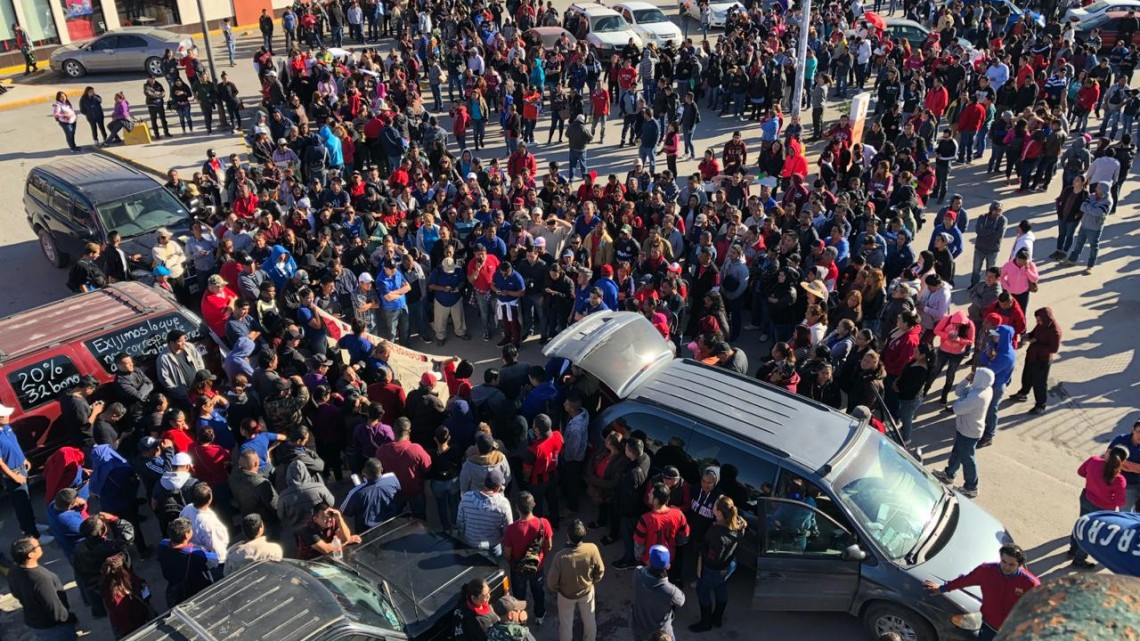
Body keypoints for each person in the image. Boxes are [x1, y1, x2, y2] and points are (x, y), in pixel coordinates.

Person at [923, 544, 1039, 641]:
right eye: (1003, 562)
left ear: (1019, 565)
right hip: (989, 626)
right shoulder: (986, 571)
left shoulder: (1030, 583)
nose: (1006, 567)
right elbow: (965, 580)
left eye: (1011, 564)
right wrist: (942, 588)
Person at [933, 368, 995, 498]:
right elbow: (959, 391)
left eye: (975, 375)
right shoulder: (983, 389)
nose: (972, 376)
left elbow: (957, 408)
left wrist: (959, 401)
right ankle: (949, 473)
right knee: (958, 452)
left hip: (969, 431)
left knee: (968, 459)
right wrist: (966, 380)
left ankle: (971, 487)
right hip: (966, 428)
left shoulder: (977, 396)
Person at [690, 496, 746, 632]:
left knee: (702, 591)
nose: (712, 508)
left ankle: (706, 623)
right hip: (730, 565)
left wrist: (701, 548)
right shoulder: (739, 522)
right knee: (721, 588)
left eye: (715, 506)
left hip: (714, 569)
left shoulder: (717, 535)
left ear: (720, 513)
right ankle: (717, 618)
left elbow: (712, 559)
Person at [1069, 445, 1130, 568]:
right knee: (1090, 534)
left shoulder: (1093, 461)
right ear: (1122, 462)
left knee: (1081, 523)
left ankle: (1072, 549)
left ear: (1108, 452)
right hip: (1103, 510)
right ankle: (1079, 560)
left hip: (1086, 499)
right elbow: (1120, 501)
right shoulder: (1119, 479)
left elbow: (1081, 472)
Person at [545, 518, 605, 641]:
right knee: (589, 621)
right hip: (586, 592)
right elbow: (600, 570)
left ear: (568, 536)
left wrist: (559, 589)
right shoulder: (592, 549)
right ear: (584, 533)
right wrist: (592, 581)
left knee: (566, 625)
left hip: (566, 595)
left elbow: (551, 582)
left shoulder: (560, 557)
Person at [8, 536, 77, 641]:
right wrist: (70, 619)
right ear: (31, 555)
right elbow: (55, 610)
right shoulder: (41, 579)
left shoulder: (13, 570)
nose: (41, 546)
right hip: (53, 627)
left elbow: (15, 593)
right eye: (38, 545)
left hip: (34, 620)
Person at [1, 404, 53, 543]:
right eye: (4, 415)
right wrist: (14, 476)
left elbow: (14, 445)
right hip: (14, 474)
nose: (7, 416)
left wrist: (23, 458)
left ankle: (33, 525)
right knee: (22, 505)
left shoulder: (6, 428)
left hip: (21, 469)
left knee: (27, 500)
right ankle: (33, 535)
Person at [502, 492, 552, 625]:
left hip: (518, 569)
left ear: (516, 508)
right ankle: (540, 615)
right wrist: (541, 558)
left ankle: (520, 619)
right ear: (534, 505)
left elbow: (507, 553)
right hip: (537, 566)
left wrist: (512, 563)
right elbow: (549, 546)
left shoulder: (511, 529)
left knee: (519, 596)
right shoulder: (544, 523)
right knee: (538, 591)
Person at [377, 417, 432, 519]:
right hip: (414, 490)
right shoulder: (416, 449)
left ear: (393, 430)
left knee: (393, 520)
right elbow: (427, 467)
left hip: (394, 492)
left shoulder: (382, 451)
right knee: (419, 519)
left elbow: (379, 472)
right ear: (409, 431)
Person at [1011, 308, 1062, 415]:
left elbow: (1053, 349)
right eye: (1037, 320)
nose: (1037, 322)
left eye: (1039, 320)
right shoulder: (1041, 325)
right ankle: (1023, 393)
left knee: (1039, 383)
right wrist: (1028, 336)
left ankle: (1040, 405)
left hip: (1042, 360)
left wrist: (1036, 343)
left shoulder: (1055, 331)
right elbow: (1034, 333)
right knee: (1027, 376)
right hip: (1032, 356)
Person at [156, 517, 218, 605]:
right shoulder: (196, 554)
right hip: (197, 588)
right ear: (187, 535)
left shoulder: (162, 545)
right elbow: (215, 561)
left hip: (174, 585)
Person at [631, 545, 686, 641]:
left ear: (648, 562)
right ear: (668, 566)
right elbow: (681, 601)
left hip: (639, 627)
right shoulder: (670, 591)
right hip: (661, 633)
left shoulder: (637, 573)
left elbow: (641, 569)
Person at [457, 469, 514, 556]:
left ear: (484, 483)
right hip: (494, 544)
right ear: (497, 487)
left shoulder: (466, 498)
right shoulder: (503, 504)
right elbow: (508, 529)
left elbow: (460, 522)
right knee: (494, 568)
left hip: (472, 542)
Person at [99, 554, 154, 639]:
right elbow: (123, 621)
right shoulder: (116, 596)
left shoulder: (105, 582)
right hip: (133, 626)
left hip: (131, 622)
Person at [340, 457, 400, 531]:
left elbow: (344, 511)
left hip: (367, 531)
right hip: (390, 523)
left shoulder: (356, 492)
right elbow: (398, 493)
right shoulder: (392, 479)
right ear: (381, 469)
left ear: (364, 473)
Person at [295, 503, 362, 560]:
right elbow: (326, 550)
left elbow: (344, 537)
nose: (329, 519)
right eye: (325, 518)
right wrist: (347, 541)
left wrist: (339, 519)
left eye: (330, 515)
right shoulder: (307, 529)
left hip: (330, 557)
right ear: (315, 519)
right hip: (312, 561)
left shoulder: (332, 520)